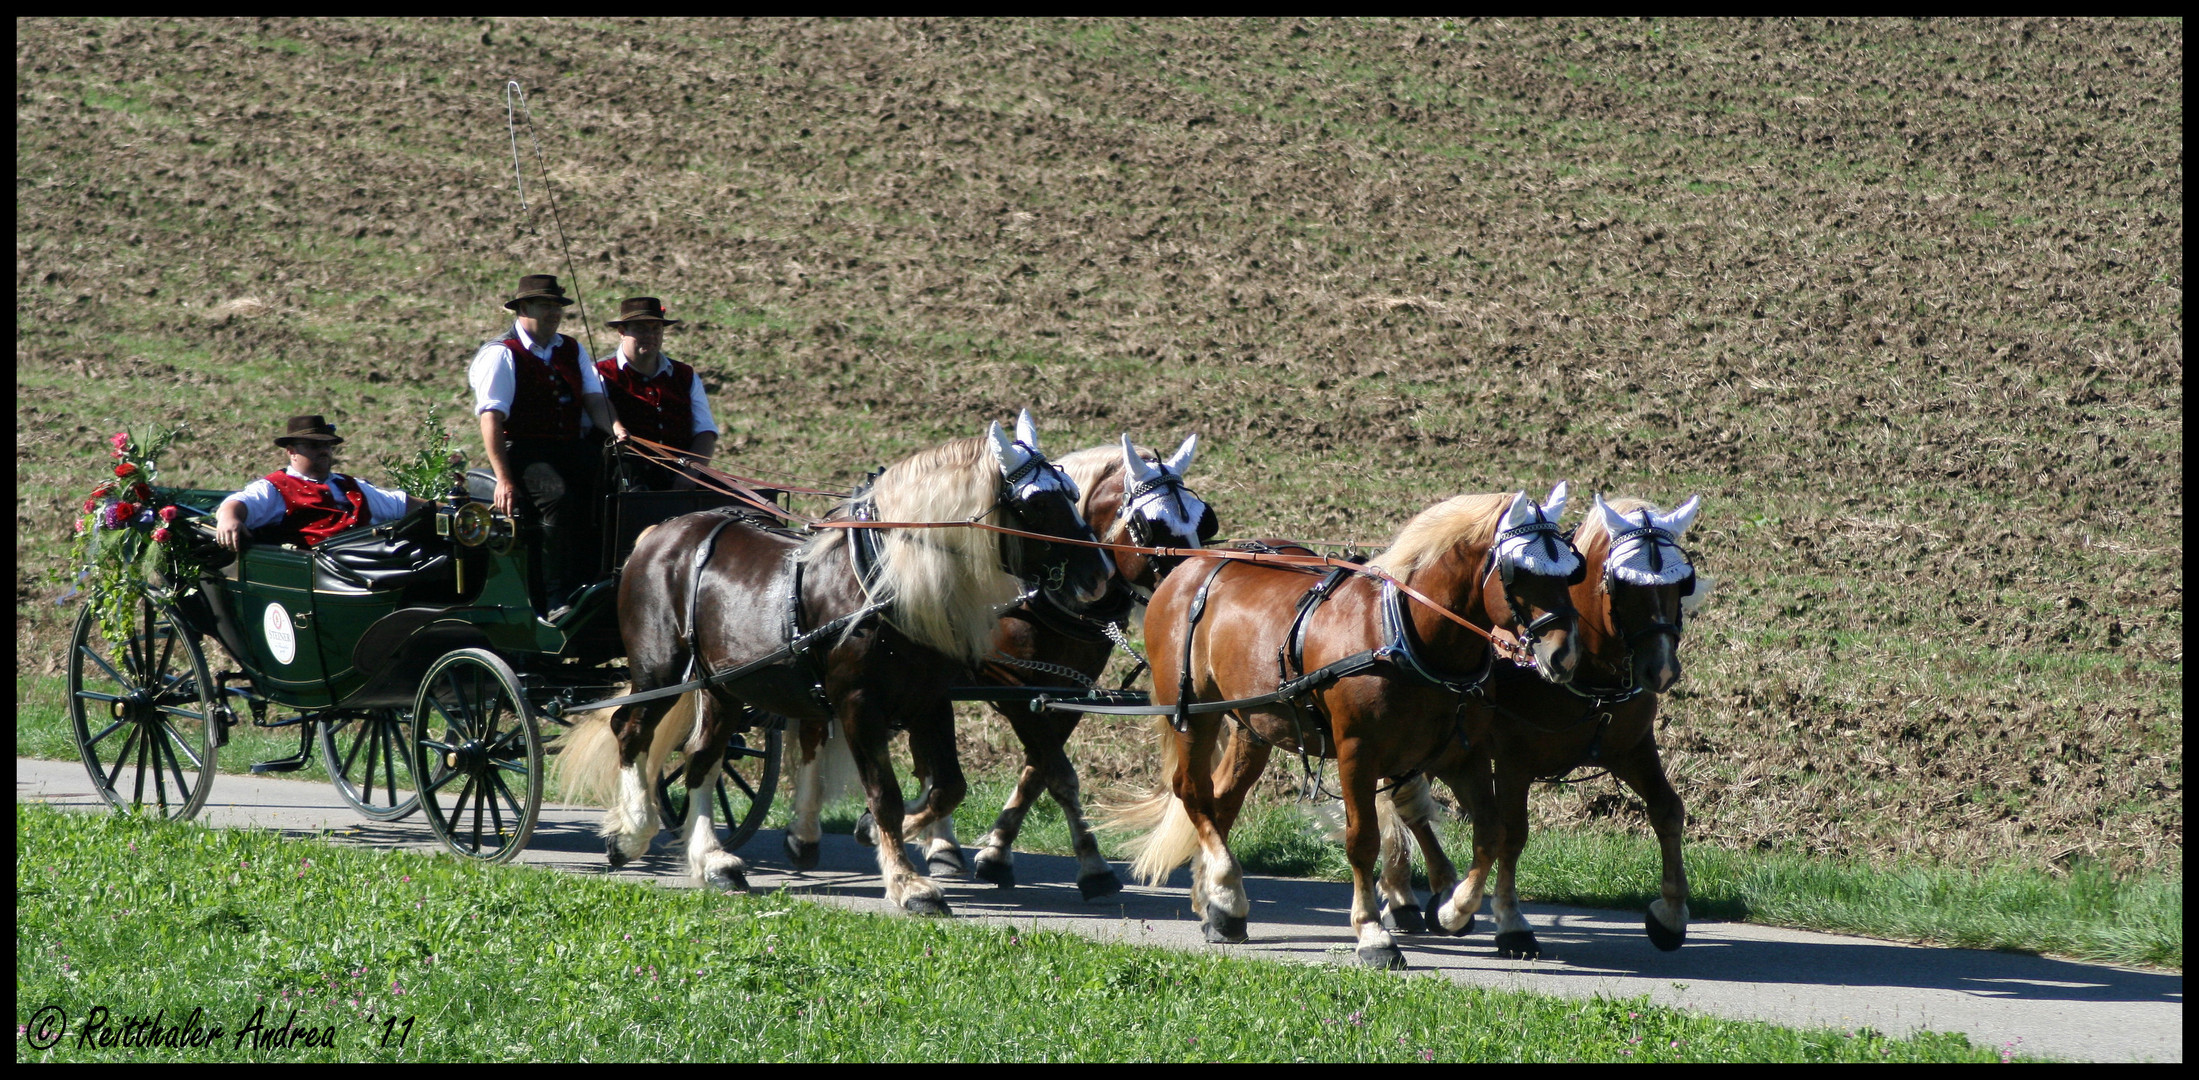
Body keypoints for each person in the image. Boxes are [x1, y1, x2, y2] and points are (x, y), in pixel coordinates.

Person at [468, 273, 622, 617]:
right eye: (545, 305)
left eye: (557, 306)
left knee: (622, 482)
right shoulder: (501, 354)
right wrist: (504, 479)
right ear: (523, 308)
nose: (554, 313)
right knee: (558, 499)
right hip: (525, 451)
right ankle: (556, 596)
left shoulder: (571, 348)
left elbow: (594, 399)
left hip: (568, 446)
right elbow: (491, 418)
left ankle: (608, 578)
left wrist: (616, 429)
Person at [215, 415, 428, 551]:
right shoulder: (276, 487)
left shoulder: (350, 485)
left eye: (327, 445)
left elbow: (402, 504)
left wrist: (453, 509)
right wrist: (229, 518)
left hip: (371, 563)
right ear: (292, 452)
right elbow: (239, 502)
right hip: (324, 575)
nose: (324, 451)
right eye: (313, 445)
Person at [594, 296, 719, 491]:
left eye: (655, 329)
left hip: (682, 469)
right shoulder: (600, 373)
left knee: (739, 502)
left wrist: (690, 475)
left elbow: (705, 433)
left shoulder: (685, 375)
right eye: (641, 329)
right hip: (627, 471)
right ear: (622, 332)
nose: (650, 336)